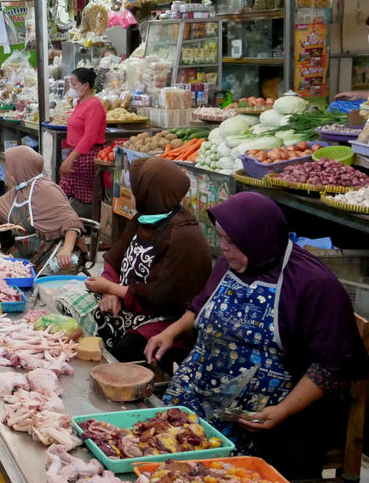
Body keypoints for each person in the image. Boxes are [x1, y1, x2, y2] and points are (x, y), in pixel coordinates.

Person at [147, 192, 369, 478]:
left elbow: (331, 367)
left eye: (230, 240)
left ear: (258, 239)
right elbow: (202, 304)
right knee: (164, 447)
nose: (222, 248)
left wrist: (283, 411)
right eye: (220, 237)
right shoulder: (232, 262)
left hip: (273, 410)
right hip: (204, 389)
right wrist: (171, 331)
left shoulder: (313, 285)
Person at [85, 157, 211, 367]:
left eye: (135, 190)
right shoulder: (143, 218)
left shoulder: (184, 236)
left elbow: (160, 297)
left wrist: (112, 288)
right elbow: (114, 259)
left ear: (150, 193)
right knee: (71, 308)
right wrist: (108, 291)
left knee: (121, 352)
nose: (132, 194)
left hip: (163, 318)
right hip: (126, 302)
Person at [0, 146, 84, 269]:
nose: (7, 173)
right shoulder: (19, 190)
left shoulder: (46, 189)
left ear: (21, 169)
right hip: (24, 253)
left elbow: (71, 221)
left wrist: (67, 249)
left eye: (10, 169)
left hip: (51, 256)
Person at [59, 67, 106, 212]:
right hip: (76, 154)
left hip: (86, 157)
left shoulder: (94, 104)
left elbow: (89, 136)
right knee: (66, 192)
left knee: (85, 198)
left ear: (86, 86)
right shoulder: (80, 102)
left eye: (74, 84)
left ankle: (83, 226)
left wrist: (71, 158)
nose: (71, 88)